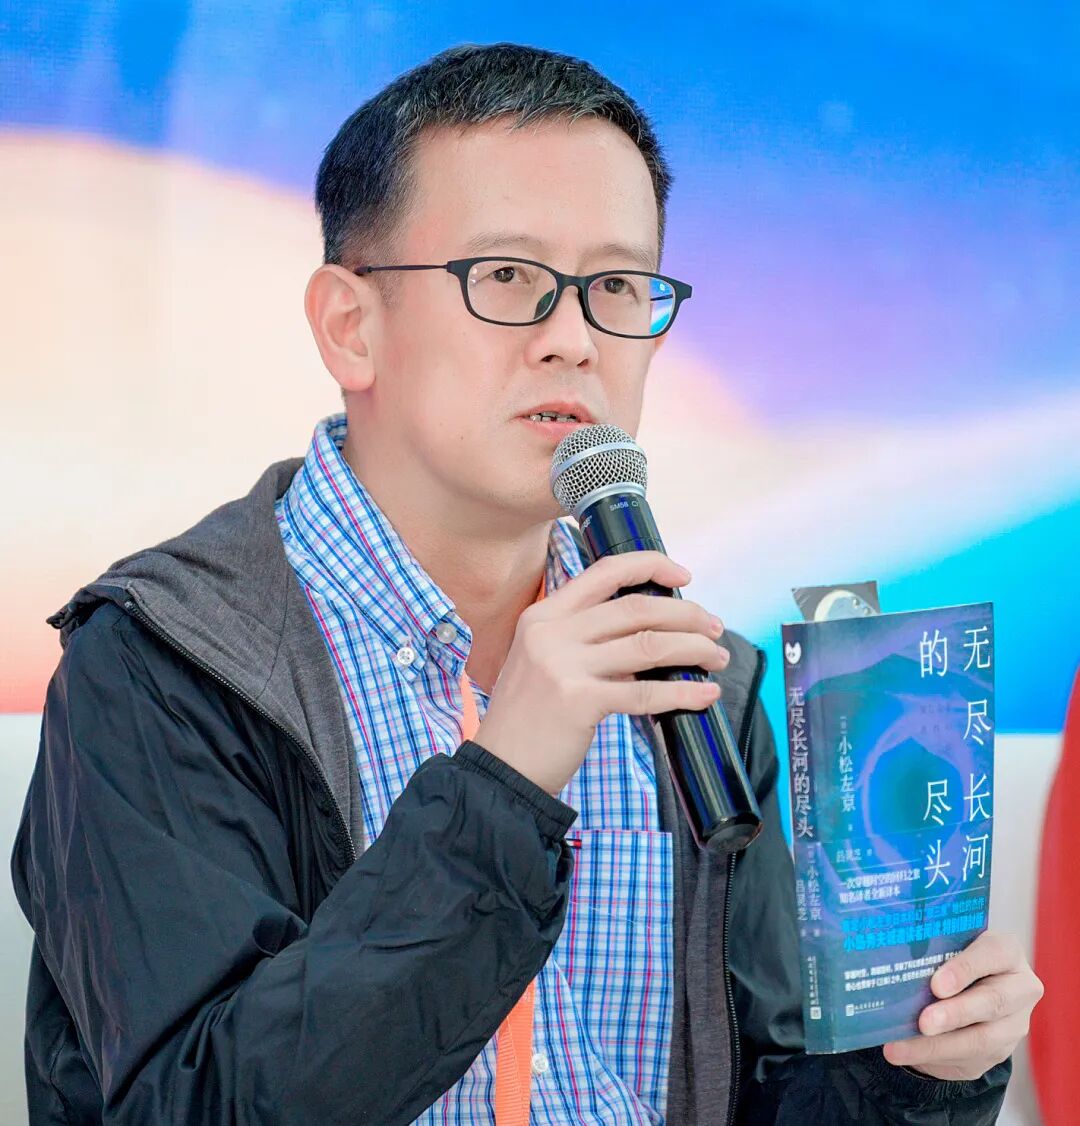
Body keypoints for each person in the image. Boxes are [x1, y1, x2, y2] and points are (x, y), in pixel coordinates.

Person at [12, 43, 1041, 1126]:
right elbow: (194, 1104)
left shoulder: (698, 685)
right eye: (507, 278)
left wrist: (912, 1067)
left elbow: (769, 1094)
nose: (573, 340)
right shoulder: (163, 661)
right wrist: (504, 786)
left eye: (616, 287)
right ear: (350, 326)